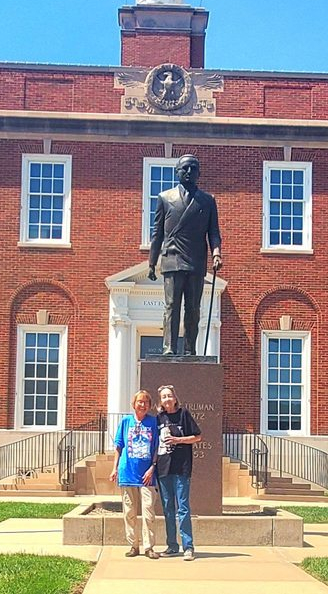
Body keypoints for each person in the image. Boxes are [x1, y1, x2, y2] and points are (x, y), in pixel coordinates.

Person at [148, 154, 223, 355]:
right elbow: (157, 234)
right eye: (185, 168)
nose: (189, 172)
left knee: (193, 308)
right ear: (177, 172)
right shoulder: (165, 198)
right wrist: (151, 263)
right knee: (172, 306)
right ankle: (169, 348)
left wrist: (216, 253)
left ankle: (190, 349)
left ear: (199, 173)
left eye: (193, 168)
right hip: (172, 258)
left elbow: (213, 232)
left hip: (196, 260)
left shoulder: (207, 201)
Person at [111, 390, 160, 558]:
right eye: (140, 401)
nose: (142, 404)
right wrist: (114, 468)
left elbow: (156, 448)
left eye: (146, 402)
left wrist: (152, 467)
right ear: (134, 404)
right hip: (127, 472)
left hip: (147, 475)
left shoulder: (153, 422)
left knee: (148, 511)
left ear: (150, 405)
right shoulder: (125, 422)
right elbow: (118, 446)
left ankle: (149, 547)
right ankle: (133, 545)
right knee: (129, 511)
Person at [155, 384, 202, 560]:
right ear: (161, 401)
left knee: (183, 507)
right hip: (164, 468)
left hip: (181, 468)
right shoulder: (159, 418)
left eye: (169, 396)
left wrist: (177, 439)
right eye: (163, 397)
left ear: (175, 398)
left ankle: (188, 547)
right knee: (168, 508)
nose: (167, 399)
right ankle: (172, 546)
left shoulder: (184, 414)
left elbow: (197, 437)